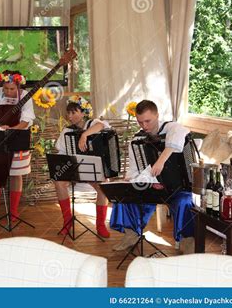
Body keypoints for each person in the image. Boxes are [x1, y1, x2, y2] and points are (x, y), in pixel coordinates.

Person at [110, 100, 195, 253]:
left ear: (157, 115)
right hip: (152, 188)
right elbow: (135, 170)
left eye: (148, 121)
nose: (145, 126)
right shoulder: (137, 140)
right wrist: (130, 180)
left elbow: (179, 135)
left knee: (186, 201)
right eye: (140, 122)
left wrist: (160, 161)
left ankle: (186, 241)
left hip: (178, 189)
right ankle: (131, 234)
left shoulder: (172, 128)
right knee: (124, 195)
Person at [0, 70, 35, 221]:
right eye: (6, 88)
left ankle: (13, 211)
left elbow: (26, 121)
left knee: (16, 175)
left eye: (12, 89)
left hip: (17, 137)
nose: (8, 91)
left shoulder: (25, 96)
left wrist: (11, 130)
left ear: (18, 86)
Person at [54, 97, 111, 238]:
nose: (70, 116)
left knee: (103, 187)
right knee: (58, 182)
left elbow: (103, 125)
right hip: (73, 167)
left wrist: (84, 134)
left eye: (74, 112)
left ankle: (100, 225)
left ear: (83, 112)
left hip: (90, 167)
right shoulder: (67, 130)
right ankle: (67, 222)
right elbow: (60, 151)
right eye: (69, 113)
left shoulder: (92, 123)